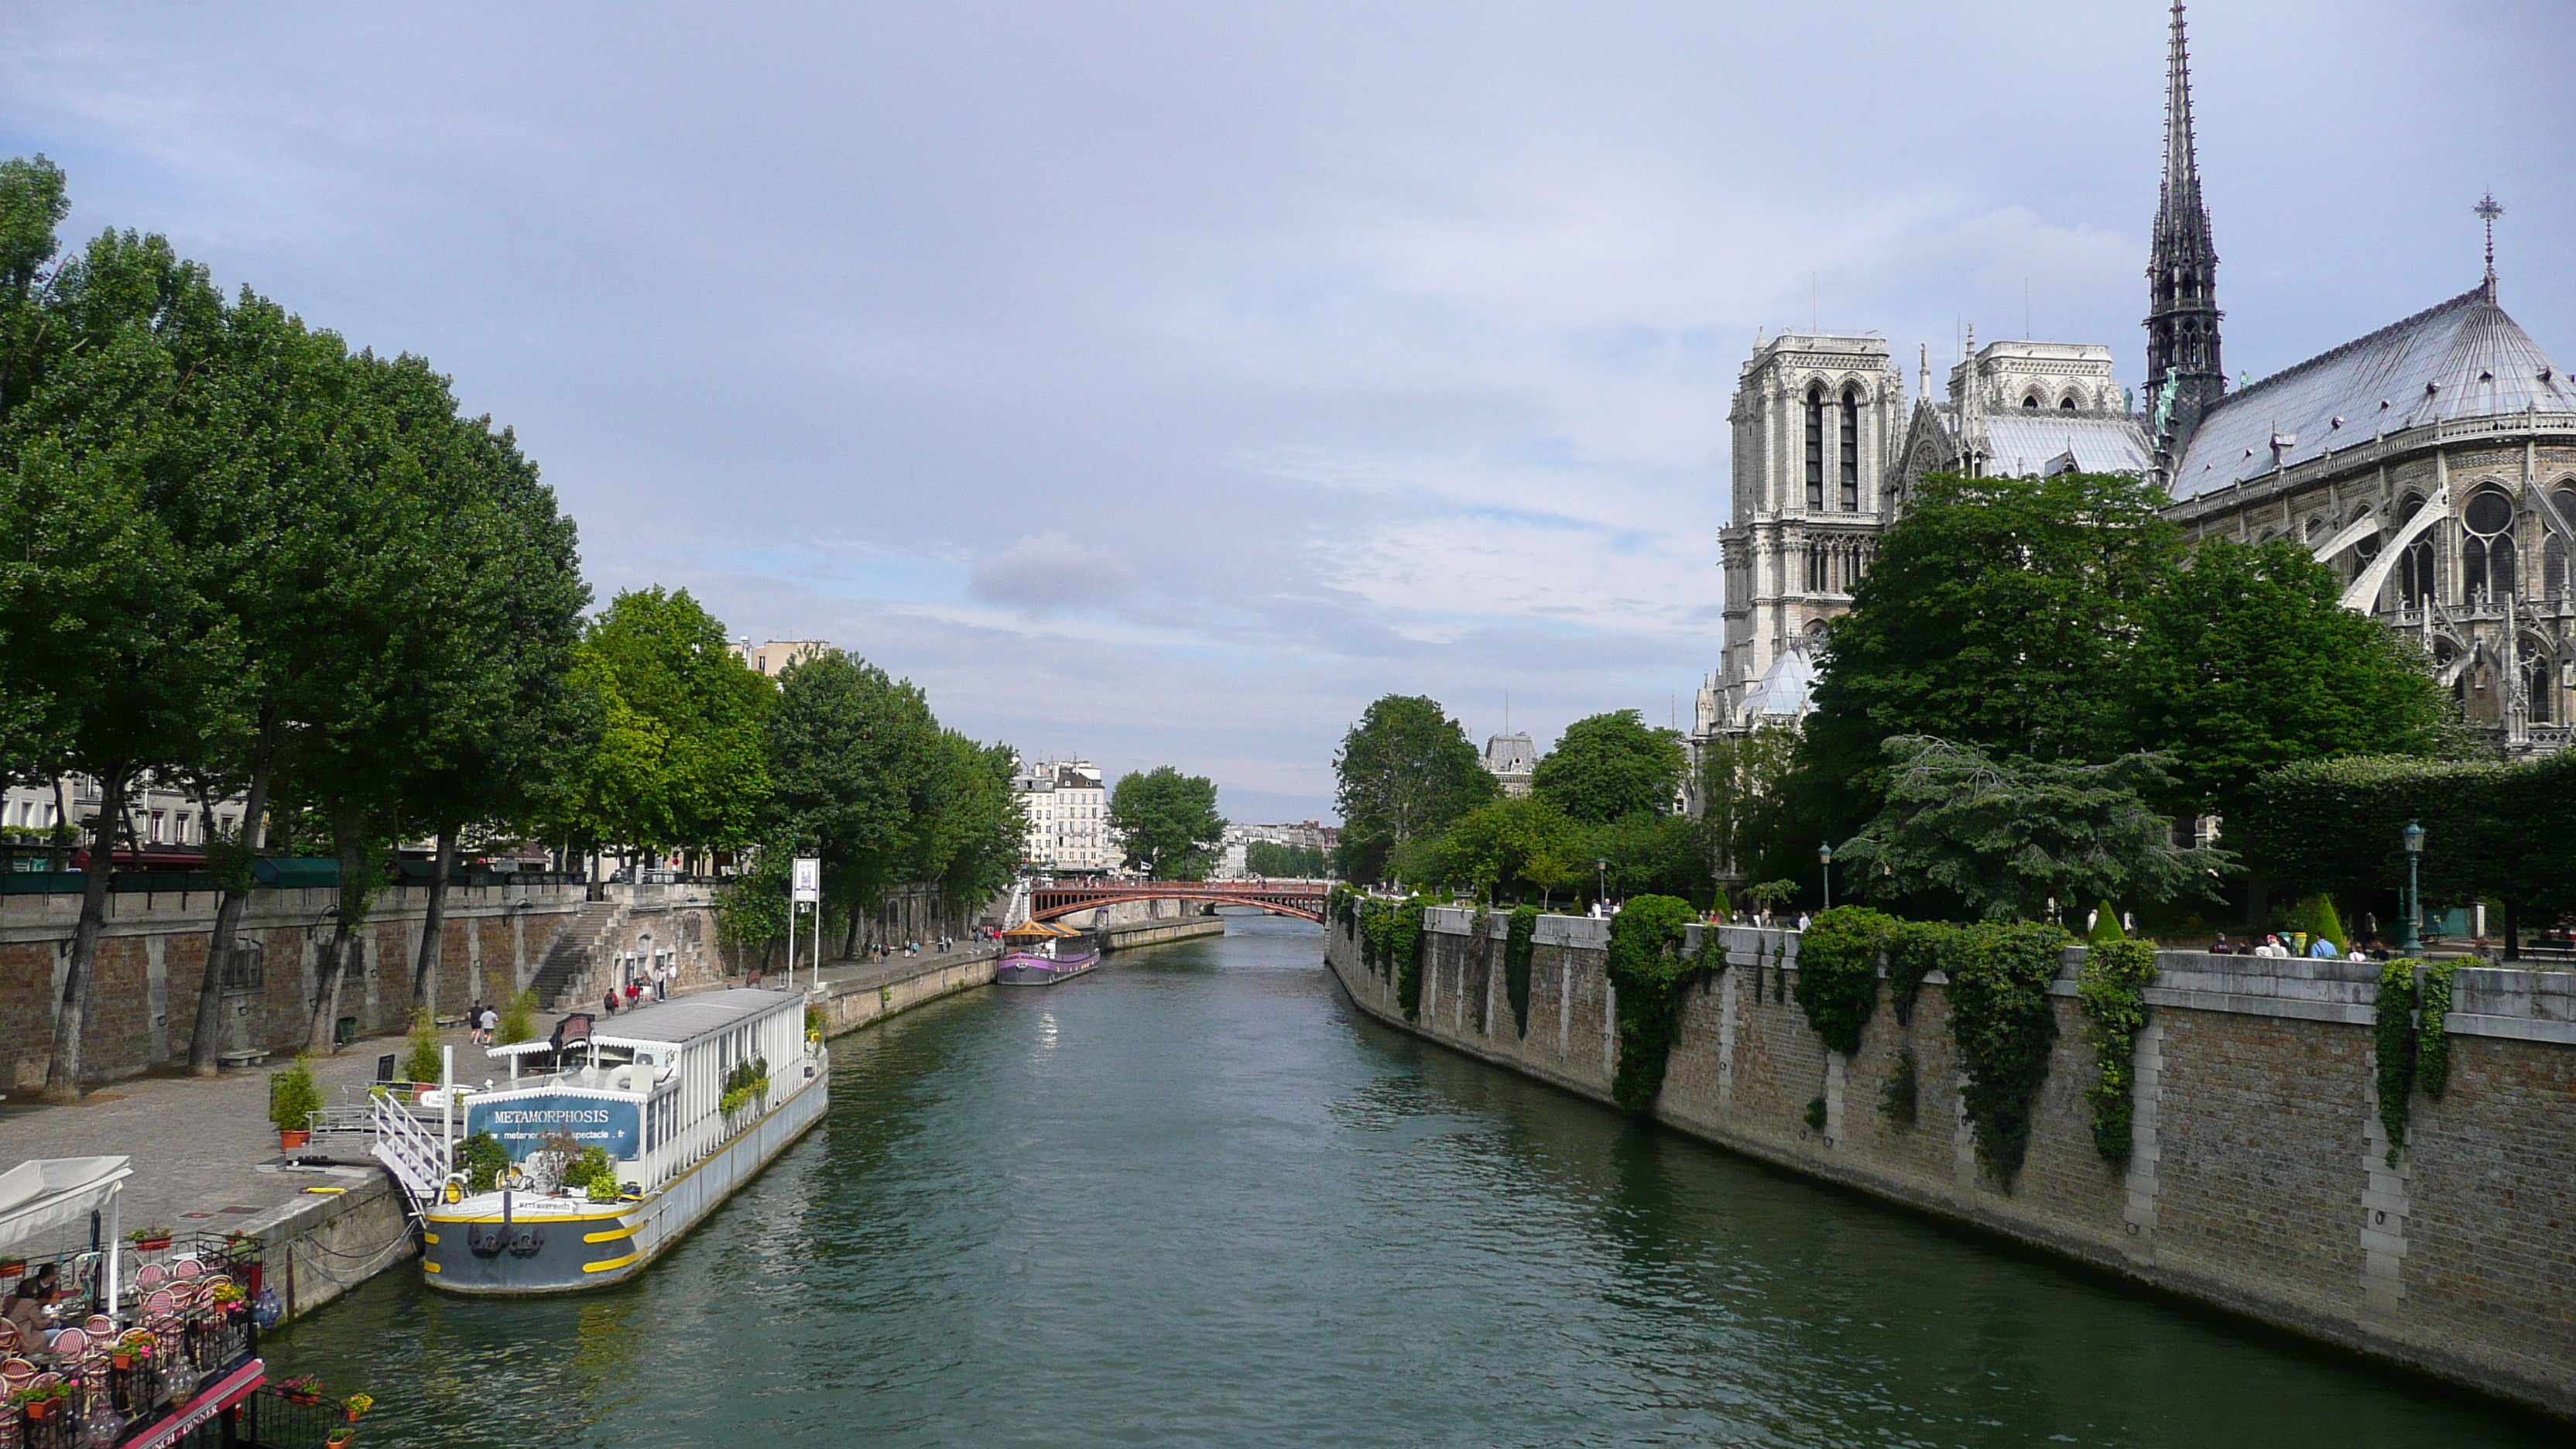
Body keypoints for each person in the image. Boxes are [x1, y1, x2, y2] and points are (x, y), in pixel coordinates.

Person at [6, 1276, 51, 1354]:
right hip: (28, 1338)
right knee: (58, 1332)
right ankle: (49, 1357)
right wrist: (51, 1319)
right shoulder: (31, 1303)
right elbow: (39, 1325)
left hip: (12, 1339)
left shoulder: (11, 1301)